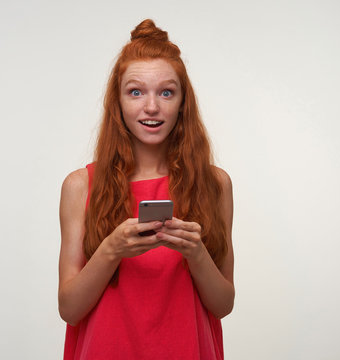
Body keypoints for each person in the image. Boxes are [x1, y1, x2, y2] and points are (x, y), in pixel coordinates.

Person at [58, 19, 234, 360]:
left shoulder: (216, 184)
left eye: (166, 92)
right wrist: (111, 250)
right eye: (136, 91)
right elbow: (69, 309)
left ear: (183, 102)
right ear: (118, 102)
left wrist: (196, 254)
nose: (151, 107)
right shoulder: (80, 186)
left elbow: (223, 304)